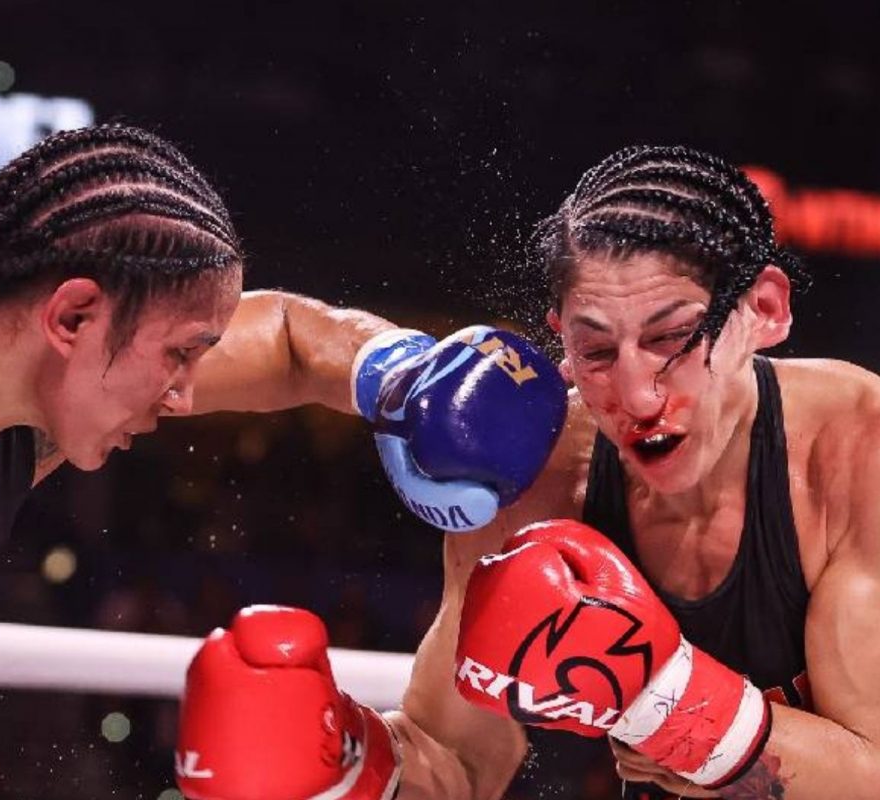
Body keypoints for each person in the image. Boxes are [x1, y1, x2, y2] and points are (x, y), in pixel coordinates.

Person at [0, 122, 562, 799]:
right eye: (178, 356)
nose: (184, 396)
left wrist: (405, 374)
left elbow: (292, 339)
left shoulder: (26, 429)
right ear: (71, 318)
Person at [177, 144, 880, 800]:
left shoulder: (858, 453)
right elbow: (457, 760)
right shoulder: (535, 485)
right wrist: (346, 766)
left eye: (672, 339)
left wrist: (665, 703)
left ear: (765, 309)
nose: (636, 396)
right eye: (597, 351)